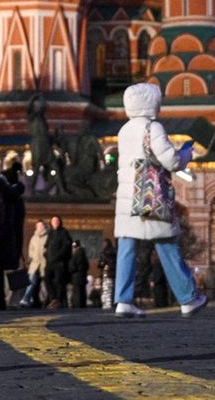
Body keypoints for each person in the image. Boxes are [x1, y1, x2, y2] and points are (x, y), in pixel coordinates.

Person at [111, 82, 207, 318]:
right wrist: (185, 153)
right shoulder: (152, 128)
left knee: (126, 247)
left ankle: (123, 300)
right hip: (150, 196)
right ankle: (188, 297)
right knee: (167, 244)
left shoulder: (124, 130)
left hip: (128, 198)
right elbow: (171, 161)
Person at [0, 165, 25, 311]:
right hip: (14, 238)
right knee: (13, 269)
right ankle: (13, 301)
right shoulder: (18, 200)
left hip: (0, 236)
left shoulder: (1, 195)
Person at [44, 216, 74, 308]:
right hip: (49, 261)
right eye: (53, 221)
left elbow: (66, 246)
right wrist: (45, 254)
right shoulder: (50, 233)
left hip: (59, 262)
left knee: (59, 281)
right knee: (47, 279)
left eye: (57, 221)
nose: (55, 222)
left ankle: (58, 300)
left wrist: (59, 256)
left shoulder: (63, 232)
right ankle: (53, 298)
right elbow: (46, 245)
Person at [20, 221, 48, 309]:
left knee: (47, 284)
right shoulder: (33, 238)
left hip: (45, 264)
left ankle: (50, 300)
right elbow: (31, 250)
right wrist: (31, 258)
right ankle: (26, 299)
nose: (40, 228)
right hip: (35, 264)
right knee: (31, 282)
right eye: (38, 226)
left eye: (41, 226)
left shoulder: (48, 236)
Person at [70, 240, 91, 309]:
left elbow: (73, 266)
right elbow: (87, 266)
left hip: (76, 277)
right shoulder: (83, 254)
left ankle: (77, 306)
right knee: (82, 292)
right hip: (83, 276)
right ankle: (82, 306)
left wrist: (70, 269)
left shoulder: (75, 255)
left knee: (77, 293)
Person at [98, 238, 117, 310]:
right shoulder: (114, 252)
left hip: (107, 272)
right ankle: (111, 304)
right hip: (113, 273)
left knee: (106, 289)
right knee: (111, 289)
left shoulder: (104, 253)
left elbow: (101, 264)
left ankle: (107, 305)